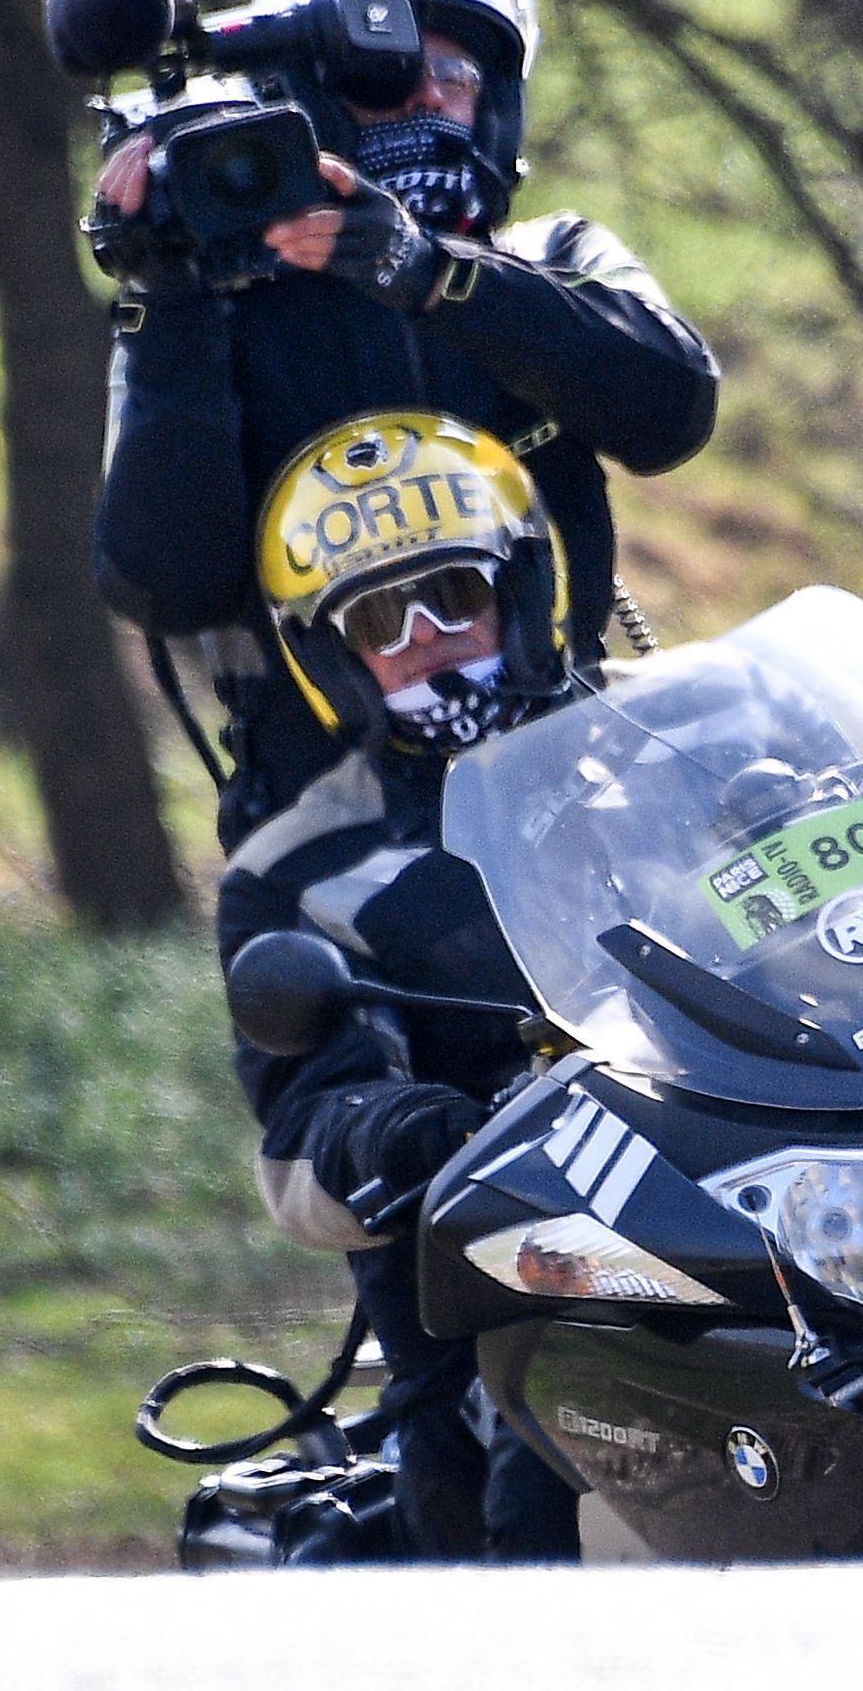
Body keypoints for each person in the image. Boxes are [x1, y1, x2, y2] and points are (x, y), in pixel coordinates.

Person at [91, 0, 719, 845]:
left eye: (456, 73)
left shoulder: (555, 254)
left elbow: (673, 410)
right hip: (337, 847)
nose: (427, 97)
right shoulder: (210, 308)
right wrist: (170, 306)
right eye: (386, 77)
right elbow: (162, 584)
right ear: (301, 101)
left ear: (498, 104)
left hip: (583, 807)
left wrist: (434, 275)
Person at [220, 408, 586, 1560]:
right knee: (549, 1508)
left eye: (456, 595)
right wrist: (386, 1128)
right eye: (382, 617)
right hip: (524, 1303)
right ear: (336, 657)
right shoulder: (299, 870)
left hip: (780, 1209)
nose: (427, 635)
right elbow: (298, 1142)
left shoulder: (683, 734)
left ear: (520, 594)